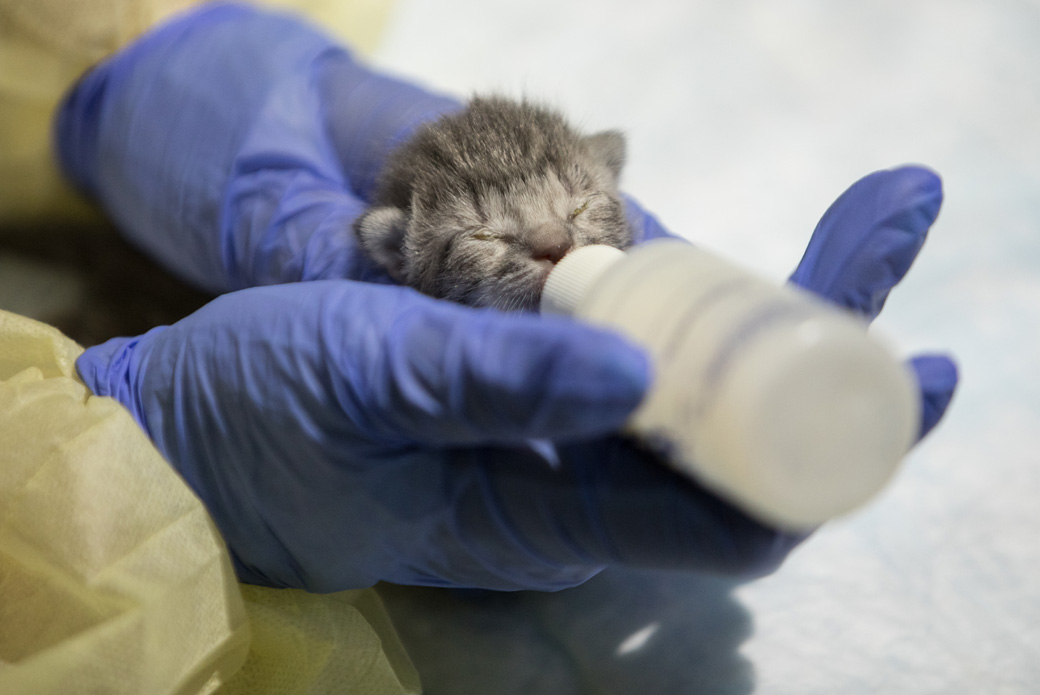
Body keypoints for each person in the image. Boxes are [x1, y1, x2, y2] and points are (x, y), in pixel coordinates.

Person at [1, 2, 957, 692]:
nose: (557, 245)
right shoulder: (373, 266)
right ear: (392, 254)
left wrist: (160, 47)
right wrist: (139, 455)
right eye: (492, 241)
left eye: (584, 208)